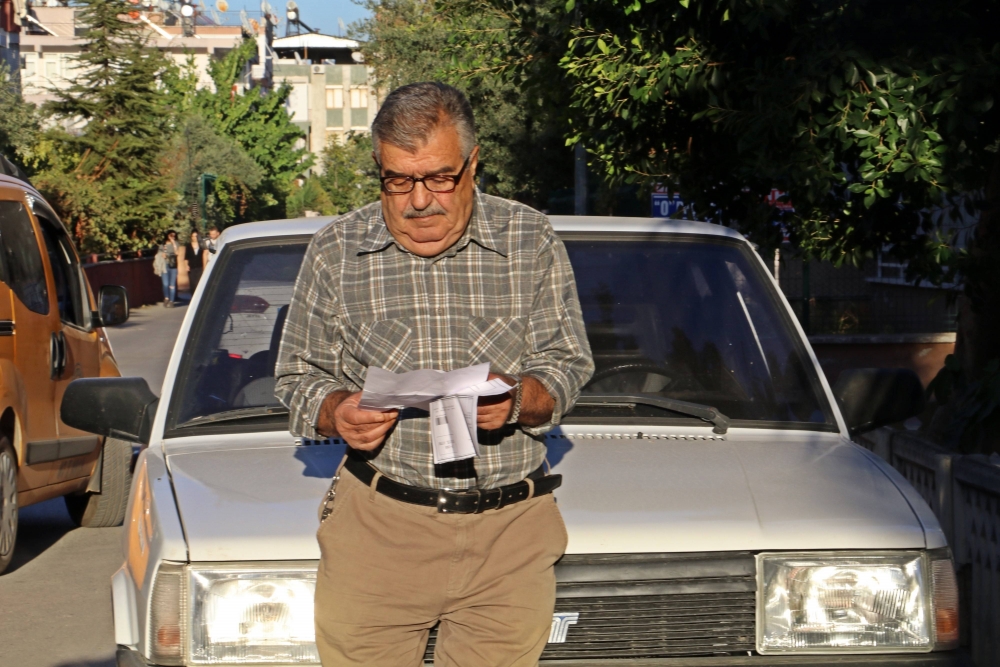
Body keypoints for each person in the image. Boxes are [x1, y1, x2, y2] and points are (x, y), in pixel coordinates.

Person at [275, 82, 594, 667]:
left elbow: (568, 361)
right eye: (399, 180)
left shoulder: (530, 239)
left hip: (510, 537)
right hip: (377, 534)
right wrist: (336, 409)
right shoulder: (334, 251)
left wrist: (522, 399)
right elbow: (297, 375)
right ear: (378, 168)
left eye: (439, 178)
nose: (420, 200)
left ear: (472, 165)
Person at [158, 230, 179, 307]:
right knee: (165, 284)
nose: (172, 237)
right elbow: (159, 254)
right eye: (171, 235)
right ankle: (166, 298)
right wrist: (162, 255)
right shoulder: (163, 244)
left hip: (173, 265)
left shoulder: (176, 243)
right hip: (165, 265)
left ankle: (172, 301)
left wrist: (173, 242)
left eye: (174, 235)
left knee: (172, 284)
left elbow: (177, 253)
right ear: (167, 235)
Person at [186, 230, 205, 295]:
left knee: (199, 283)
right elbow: (186, 257)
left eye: (196, 236)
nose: (194, 238)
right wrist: (186, 265)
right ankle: (193, 297)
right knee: (192, 284)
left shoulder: (202, 245)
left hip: (200, 266)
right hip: (192, 267)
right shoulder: (188, 246)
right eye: (193, 236)